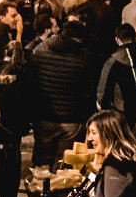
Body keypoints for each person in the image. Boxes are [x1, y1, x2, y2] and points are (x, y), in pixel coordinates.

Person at [28, 12, 101, 166]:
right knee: (65, 165)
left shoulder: (40, 50)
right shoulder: (84, 56)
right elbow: (90, 90)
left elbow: (31, 85)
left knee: (42, 164)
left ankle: (40, 189)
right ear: (78, 38)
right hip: (72, 120)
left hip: (44, 118)